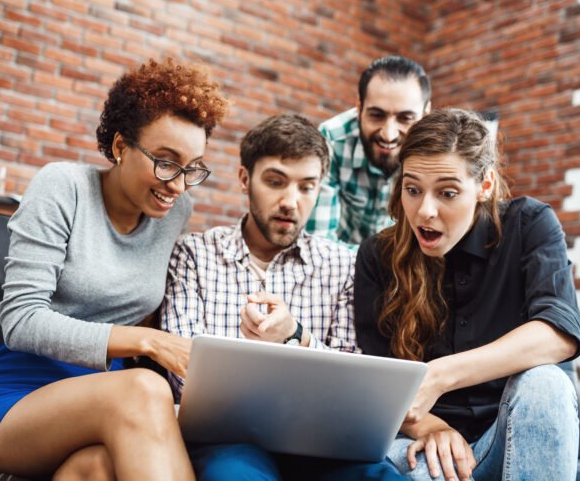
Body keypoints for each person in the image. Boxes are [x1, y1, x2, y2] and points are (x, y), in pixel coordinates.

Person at [0, 58, 229, 480]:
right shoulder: (63, 186)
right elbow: (21, 321)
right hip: (19, 402)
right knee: (142, 387)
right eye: (167, 162)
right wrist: (147, 341)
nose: (178, 184)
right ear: (120, 147)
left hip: (110, 409)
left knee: (95, 469)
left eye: (192, 168)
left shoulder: (174, 212)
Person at [160, 114, 403, 481]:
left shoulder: (343, 264)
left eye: (307, 187)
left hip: (328, 442)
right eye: (275, 182)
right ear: (245, 179)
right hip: (229, 440)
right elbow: (182, 376)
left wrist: (296, 337)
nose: (291, 201)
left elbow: (356, 378)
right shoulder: (195, 254)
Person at [354, 108, 580, 480]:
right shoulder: (376, 257)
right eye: (412, 190)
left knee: (547, 384)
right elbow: (380, 386)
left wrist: (441, 375)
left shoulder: (530, 225)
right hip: (423, 442)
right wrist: (431, 428)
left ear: (485, 185)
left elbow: (557, 333)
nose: (425, 211)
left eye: (447, 193)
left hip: (511, 437)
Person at [305, 55, 432, 247]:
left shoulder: (438, 154)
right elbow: (318, 243)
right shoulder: (331, 139)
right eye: (377, 115)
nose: (388, 135)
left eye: (405, 118)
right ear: (359, 107)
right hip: (340, 267)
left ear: (425, 114)